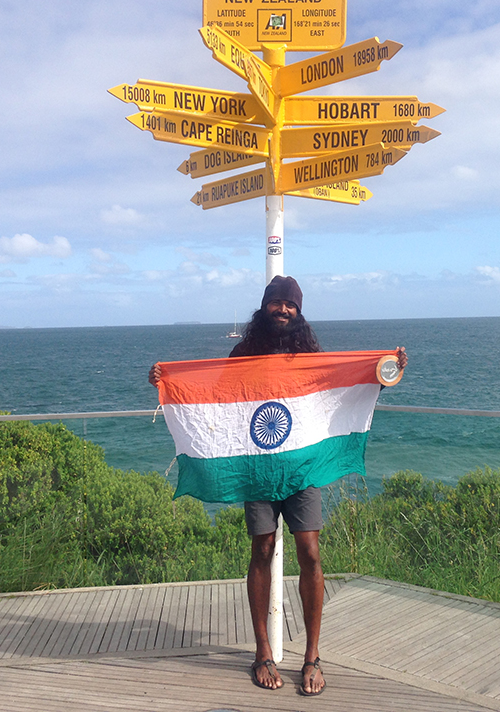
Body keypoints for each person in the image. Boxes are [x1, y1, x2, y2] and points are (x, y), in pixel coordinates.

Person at [149, 275, 406, 696]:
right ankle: (262, 651)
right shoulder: (243, 352)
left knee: (310, 550)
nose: (283, 310)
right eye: (277, 303)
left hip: (302, 468)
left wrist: (381, 372)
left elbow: (337, 393)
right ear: (264, 306)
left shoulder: (310, 353)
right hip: (258, 470)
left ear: (298, 311)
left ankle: (312, 656)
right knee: (262, 549)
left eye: (290, 305)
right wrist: (166, 380)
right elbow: (211, 395)